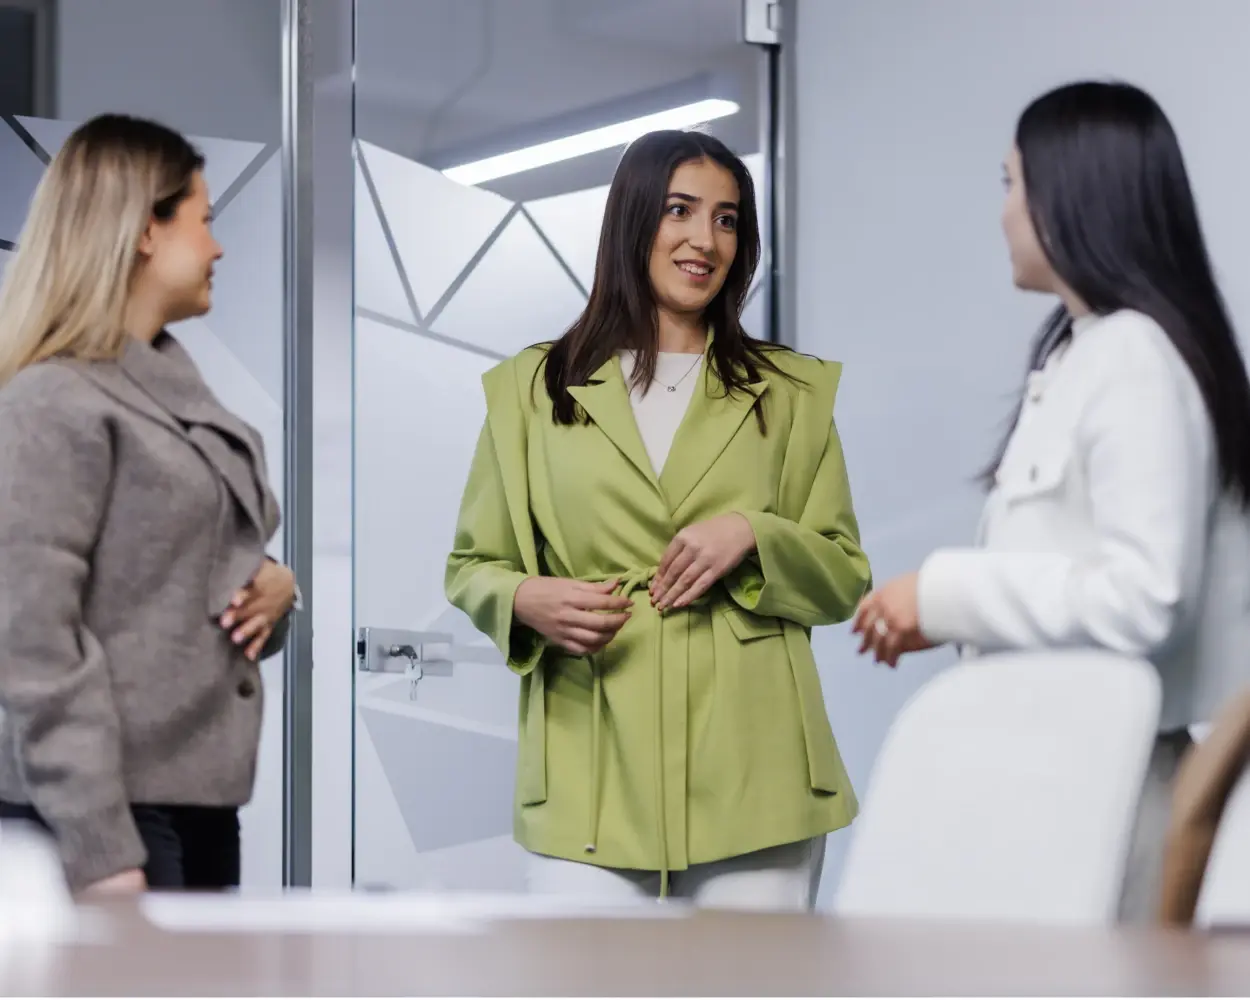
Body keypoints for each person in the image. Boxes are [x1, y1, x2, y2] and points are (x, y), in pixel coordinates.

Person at [852, 81, 1250, 921]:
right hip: (1071, 779)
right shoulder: (1080, 352)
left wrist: (947, 594)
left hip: (1129, 793)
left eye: (1011, 183)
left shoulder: (1136, 358)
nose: (1003, 212)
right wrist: (948, 611)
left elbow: (1147, 598)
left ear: (1072, 194)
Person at [445, 129, 871, 910]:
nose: (704, 240)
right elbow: (473, 565)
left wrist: (754, 535)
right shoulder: (532, 391)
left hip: (757, 771)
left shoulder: (792, 394)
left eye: (728, 219)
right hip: (590, 769)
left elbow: (844, 574)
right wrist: (524, 601)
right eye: (680, 210)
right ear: (634, 221)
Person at [0, 114, 298, 895]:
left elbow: (165, 588)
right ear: (142, 232)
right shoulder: (51, 401)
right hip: (102, 807)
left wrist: (277, 590)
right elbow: (29, 636)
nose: (217, 247)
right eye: (203, 220)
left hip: (194, 798)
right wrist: (99, 844)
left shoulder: (169, 393)